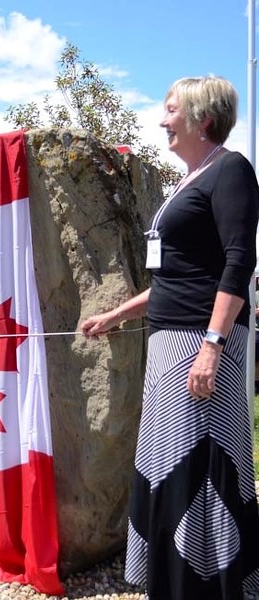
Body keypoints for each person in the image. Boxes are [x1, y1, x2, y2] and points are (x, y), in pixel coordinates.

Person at [81, 76, 259, 599]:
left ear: (203, 119)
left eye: (171, 110)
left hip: (200, 346)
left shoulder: (231, 170)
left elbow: (238, 262)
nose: (161, 121)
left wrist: (212, 346)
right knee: (164, 464)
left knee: (198, 465)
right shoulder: (188, 180)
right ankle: (171, 584)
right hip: (167, 342)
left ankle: (213, 586)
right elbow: (174, 279)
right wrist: (117, 315)